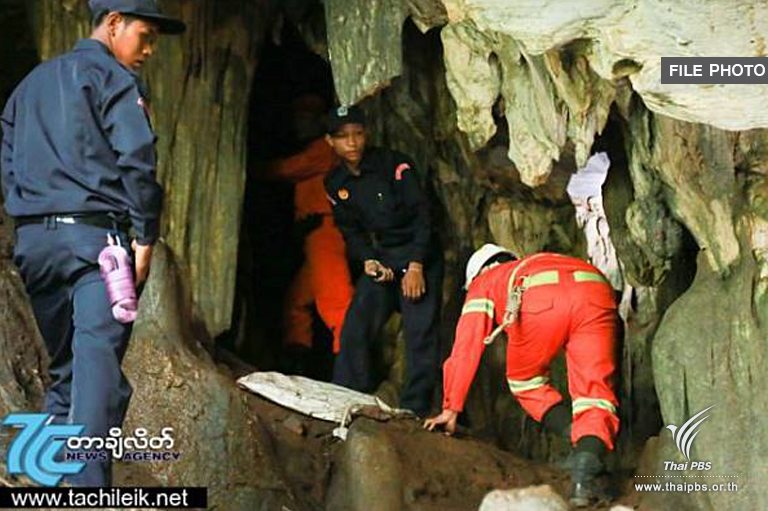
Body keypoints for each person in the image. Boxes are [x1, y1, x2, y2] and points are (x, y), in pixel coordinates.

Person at [0, 0, 185, 487]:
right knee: (97, 376)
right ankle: (87, 492)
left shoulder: (29, 86)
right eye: (144, 36)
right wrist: (145, 235)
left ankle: (48, 485)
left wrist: (33, 216)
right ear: (114, 22)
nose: (148, 50)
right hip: (95, 246)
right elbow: (138, 160)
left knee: (67, 372)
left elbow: (8, 163)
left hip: (35, 246)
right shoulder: (114, 80)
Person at [424, 244, 619, 507]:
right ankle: (587, 462)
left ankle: (579, 445)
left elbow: (467, 344)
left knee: (525, 381)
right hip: (596, 288)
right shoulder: (534, 262)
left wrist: (451, 406)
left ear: (479, 273)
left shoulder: (486, 280)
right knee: (594, 396)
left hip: (541, 298)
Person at [323, 105, 442, 417]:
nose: (352, 143)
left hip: (420, 255)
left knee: (420, 333)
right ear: (329, 142)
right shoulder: (335, 183)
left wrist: (416, 266)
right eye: (343, 137)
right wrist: (369, 261)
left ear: (367, 134)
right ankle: (346, 395)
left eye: (358, 134)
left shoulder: (395, 165)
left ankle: (415, 409)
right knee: (357, 324)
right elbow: (350, 230)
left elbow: (423, 216)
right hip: (385, 258)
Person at [263, 94, 353, 358]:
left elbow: (288, 169)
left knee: (337, 301)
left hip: (327, 230)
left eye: (306, 117)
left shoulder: (323, 150)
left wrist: (250, 167)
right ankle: (297, 360)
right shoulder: (319, 149)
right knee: (296, 303)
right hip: (316, 232)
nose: (299, 123)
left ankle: (349, 369)